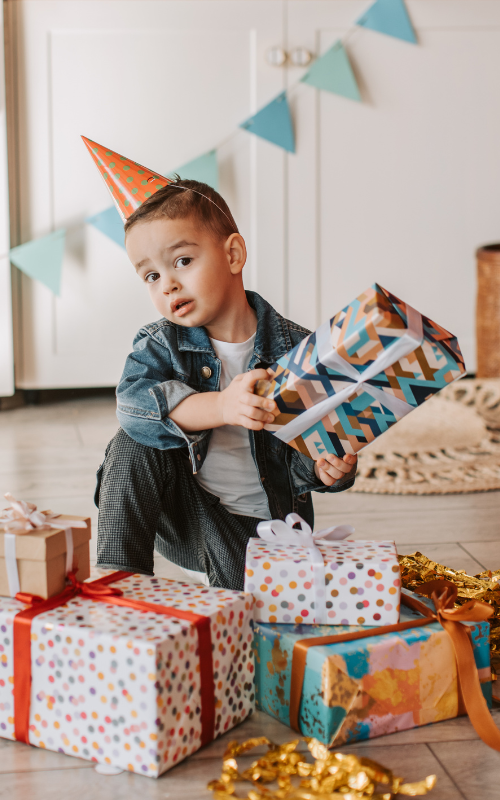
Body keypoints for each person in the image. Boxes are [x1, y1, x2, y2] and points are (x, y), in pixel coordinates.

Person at [95, 178, 357, 590]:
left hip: (264, 531)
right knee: (132, 442)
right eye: (150, 275)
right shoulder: (161, 344)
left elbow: (306, 459)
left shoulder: (298, 351)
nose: (167, 284)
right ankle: (118, 581)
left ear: (232, 254)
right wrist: (220, 407)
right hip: (189, 520)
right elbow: (133, 406)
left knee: (245, 619)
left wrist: (329, 468)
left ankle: (232, 591)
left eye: (181, 261)